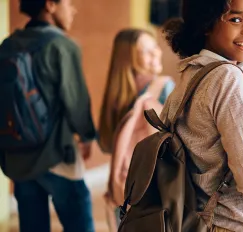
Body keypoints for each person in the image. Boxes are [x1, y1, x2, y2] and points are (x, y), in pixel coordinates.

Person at [160, 0, 243, 231]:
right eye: (235, 19)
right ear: (207, 23)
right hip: (232, 223)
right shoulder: (227, 78)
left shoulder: (190, 74)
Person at [0, 0, 96, 231]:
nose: (72, 10)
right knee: (79, 223)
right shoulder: (62, 45)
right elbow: (76, 101)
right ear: (50, 5)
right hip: (56, 153)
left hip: (18, 154)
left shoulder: (8, 45)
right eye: (68, 3)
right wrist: (87, 137)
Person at [97, 28, 175, 230]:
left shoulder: (115, 99)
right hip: (154, 191)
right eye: (147, 51)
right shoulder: (163, 87)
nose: (157, 53)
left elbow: (106, 144)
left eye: (156, 48)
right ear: (129, 58)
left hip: (124, 191)